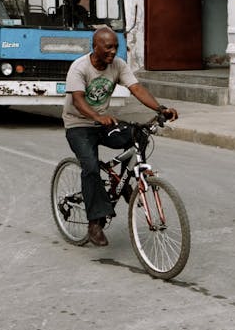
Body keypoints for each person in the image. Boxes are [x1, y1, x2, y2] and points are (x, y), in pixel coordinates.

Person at [63, 27, 178, 247]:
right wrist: (97, 116)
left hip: (103, 122)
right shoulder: (79, 68)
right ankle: (94, 223)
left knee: (137, 136)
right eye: (108, 47)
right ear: (94, 46)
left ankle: (123, 182)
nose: (113, 51)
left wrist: (160, 109)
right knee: (91, 168)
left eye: (115, 46)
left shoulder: (118, 65)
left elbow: (136, 88)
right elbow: (78, 99)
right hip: (78, 125)